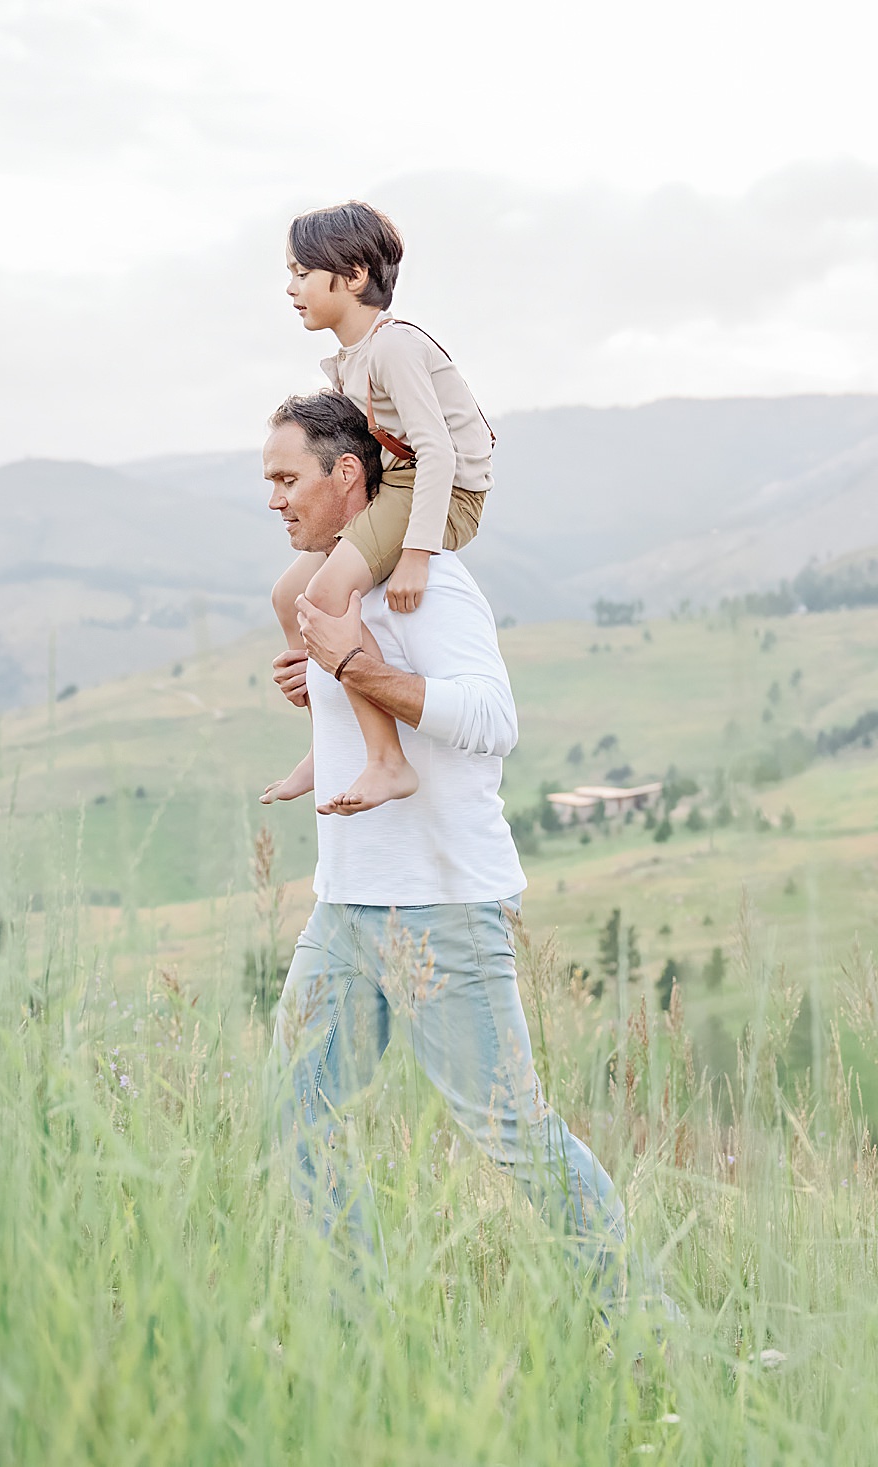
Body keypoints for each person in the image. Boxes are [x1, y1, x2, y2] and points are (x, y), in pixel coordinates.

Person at [258, 390, 625, 1300]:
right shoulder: (323, 590)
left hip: (445, 907)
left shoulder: (431, 585)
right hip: (345, 904)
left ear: (349, 475)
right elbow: (357, 692)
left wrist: (361, 668)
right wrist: (326, 715)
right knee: (295, 1110)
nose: (273, 499)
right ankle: (358, 1323)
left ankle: (640, 1321)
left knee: (513, 1136)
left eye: (285, 478)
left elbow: (494, 720)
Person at [261, 200, 496, 817]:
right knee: (291, 594)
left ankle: (388, 760)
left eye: (302, 273)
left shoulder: (392, 349)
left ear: (354, 275)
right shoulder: (352, 358)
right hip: (402, 485)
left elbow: (437, 453)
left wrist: (416, 556)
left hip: (438, 492)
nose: (292, 288)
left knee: (330, 591)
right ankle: (328, 739)